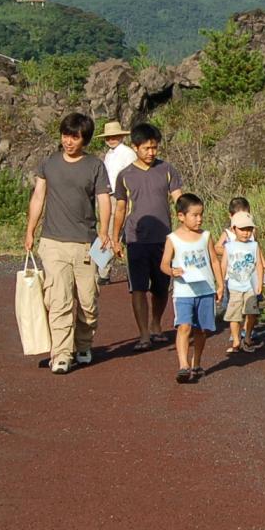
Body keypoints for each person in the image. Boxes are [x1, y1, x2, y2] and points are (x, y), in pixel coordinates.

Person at [24, 113, 112, 375]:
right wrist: (30, 230)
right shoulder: (49, 164)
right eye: (65, 135)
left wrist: (105, 231)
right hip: (53, 242)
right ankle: (61, 354)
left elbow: (104, 199)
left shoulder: (95, 166)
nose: (68, 141)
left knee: (88, 302)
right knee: (58, 300)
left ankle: (83, 344)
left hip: (86, 243)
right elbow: (38, 197)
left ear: (84, 139)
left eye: (74, 137)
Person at [111, 123, 183, 351]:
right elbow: (120, 208)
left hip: (164, 240)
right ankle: (143, 334)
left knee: (161, 287)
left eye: (154, 148)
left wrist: (188, 230)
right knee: (138, 288)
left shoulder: (168, 169)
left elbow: (179, 200)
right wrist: (114, 238)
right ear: (135, 147)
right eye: (146, 148)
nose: (151, 152)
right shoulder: (125, 175)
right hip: (135, 239)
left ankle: (156, 324)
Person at [161, 194, 223, 384]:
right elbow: (163, 264)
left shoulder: (205, 236)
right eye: (194, 215)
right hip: (184, 292)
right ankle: (183, 365)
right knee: (184, 326)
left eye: (201, 215)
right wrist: (172, 271)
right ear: (181, 216)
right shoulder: (172, 239)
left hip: (205, 290)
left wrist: (220, 285)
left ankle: (196, 362)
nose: (199, 219)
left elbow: (214, 260)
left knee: (201, 330)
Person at [221, 211, 265, 354]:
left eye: (249, 229)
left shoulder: (254, 245)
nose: (246, 233)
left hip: (250, 286)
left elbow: (259, 264)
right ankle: (236, 340)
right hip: (234, 287)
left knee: (251, 313)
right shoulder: (229, 247)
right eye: (242, 229)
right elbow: (223, 265)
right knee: (234, 315)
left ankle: (247, 337)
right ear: (234, 229)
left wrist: (260, 282)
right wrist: (220, 285)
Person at [97, 121, 135, 282]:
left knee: (117, 233)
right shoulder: (108, 154)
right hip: (108, 196)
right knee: (107, 231)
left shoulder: (127, 153)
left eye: (114, 136)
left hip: (123, 197)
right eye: (109, 137)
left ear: (121, 136)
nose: (111, 139)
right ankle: (102, 270)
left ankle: (103, 272)